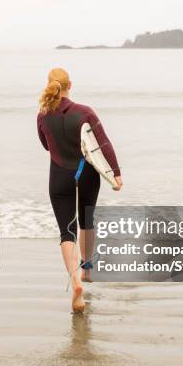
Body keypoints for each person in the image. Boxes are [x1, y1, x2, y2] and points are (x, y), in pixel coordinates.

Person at [37, 68, 122, 313]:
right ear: (69, 85)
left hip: (59, 175)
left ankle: (74, 282)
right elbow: (104, 144)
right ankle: (86, 270)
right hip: (86, 174)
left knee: (66, 230)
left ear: (49, 85)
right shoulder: (85, 112)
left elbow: (45, 145)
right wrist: (115, 173)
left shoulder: (43, 114)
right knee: (86, 221)